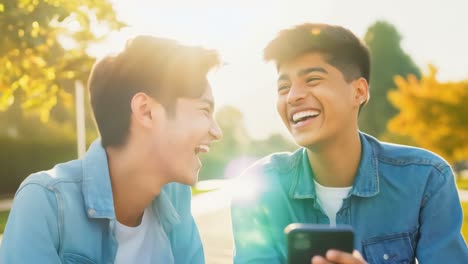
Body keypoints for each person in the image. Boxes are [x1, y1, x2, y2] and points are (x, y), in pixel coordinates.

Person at [231, 23, 468, 264]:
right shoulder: (258, 189)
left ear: (359, 92)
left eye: (312, 79)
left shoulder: (427, 178)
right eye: (284, 87)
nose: (293, 96)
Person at [0, 36, 222, 263]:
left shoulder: (176, 197)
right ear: (146, 111)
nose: (217, 132)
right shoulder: (45, 203)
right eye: (204, 111)